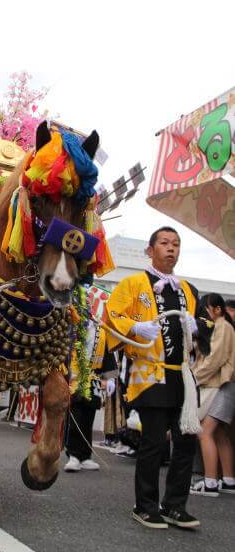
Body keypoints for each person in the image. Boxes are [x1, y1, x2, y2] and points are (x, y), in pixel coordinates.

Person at [105, 226, 200, 530]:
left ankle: (174, 505)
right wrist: (135, 328)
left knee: (185, 443)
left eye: (176, 244)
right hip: (149, 373)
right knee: (154, 442)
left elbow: (196, 336)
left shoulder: (187, 290)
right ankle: (144, 505)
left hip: (181, 376)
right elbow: (111, 315)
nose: (171, 248)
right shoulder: (133, 283)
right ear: (150, 250)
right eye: (164, 243)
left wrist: (197, 328)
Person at [191, 293, 235, 497]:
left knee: (205, 432)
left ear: (217, 310)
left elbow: (216, 358)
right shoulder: (224, 326)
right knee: (219, 433)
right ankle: (227, 480)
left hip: (225, 384)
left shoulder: (223, 326)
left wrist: (195, 378)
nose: (205, 313)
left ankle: (210, 482)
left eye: (206, 309)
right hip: (227, 384)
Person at [64, 324, 118, 471]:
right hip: (74, 379)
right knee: (76, 416)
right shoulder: (72, 327)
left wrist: (110, 379)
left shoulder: (101, 331)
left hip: (93, 379)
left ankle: (85, 455)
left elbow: (108, 356)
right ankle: (73, 455)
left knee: (89, 416)